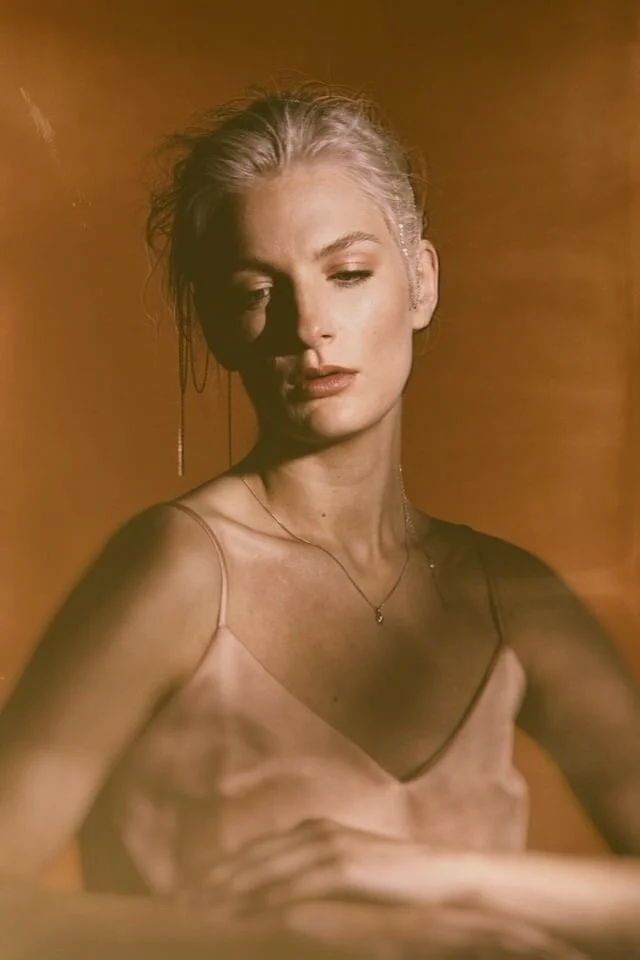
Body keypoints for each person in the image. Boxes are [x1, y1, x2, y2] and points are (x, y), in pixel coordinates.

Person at [0, 85, 639, 960]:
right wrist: (273, 939)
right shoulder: (179, 566)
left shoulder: (510, 596)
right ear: (216, 324)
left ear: (421, 282)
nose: (309, 327)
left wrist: (431, 876)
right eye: (256, 290)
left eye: (347, 274)